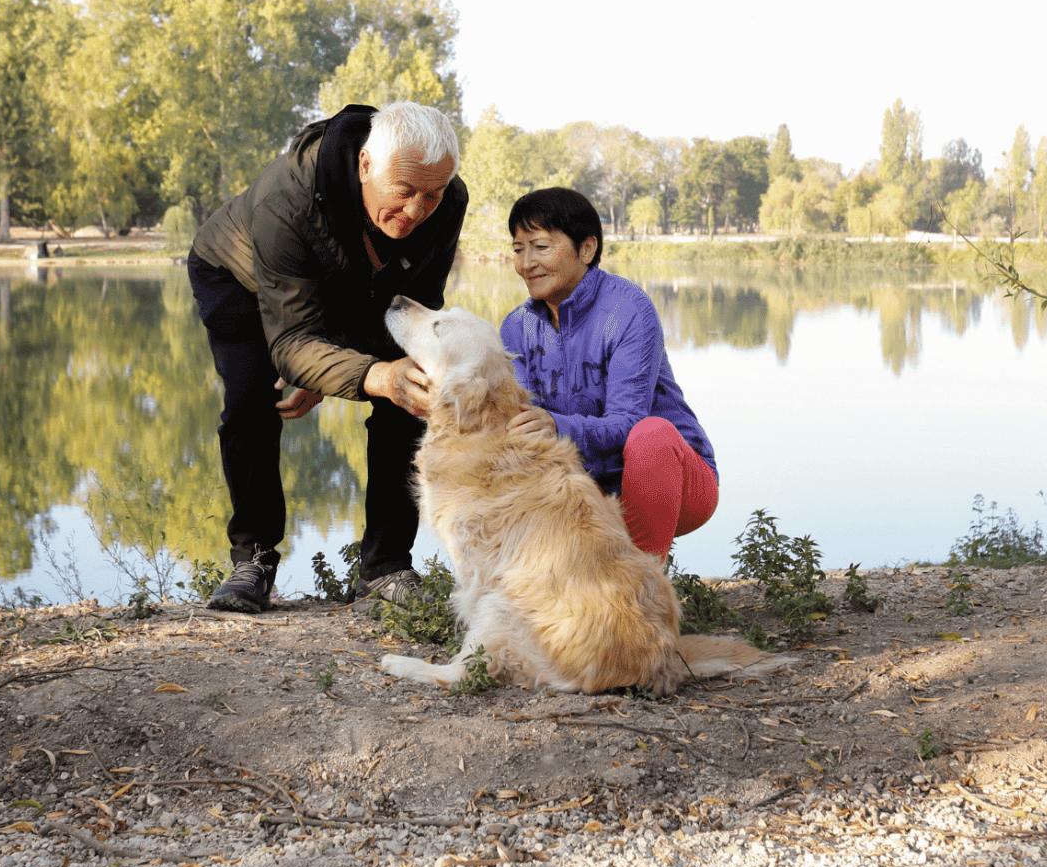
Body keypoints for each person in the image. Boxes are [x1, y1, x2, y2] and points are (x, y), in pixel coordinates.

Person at [186, 102, 467, 612]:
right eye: (404, 191)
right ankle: (253, 560)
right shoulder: (286, 198)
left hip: (344, 294)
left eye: (432, 194)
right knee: (252, 400)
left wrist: (345, 370)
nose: (416, 210)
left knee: (411, 387)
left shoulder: (447, 199)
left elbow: (416, 308)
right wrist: (350, 369)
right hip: (238, 276)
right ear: (366, 166)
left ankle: (386, 568)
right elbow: (292, 340)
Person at [500, 187, 718, 559]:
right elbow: (520, 421)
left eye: (541, 247)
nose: (526, 263)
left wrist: (555, 424)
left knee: (650, 435)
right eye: (519, 249)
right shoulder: (515, 328)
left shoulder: (628, 309)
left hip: (673, 482)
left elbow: (628, 421)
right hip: (582, 490)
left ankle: (645, 578)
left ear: (587, 249)